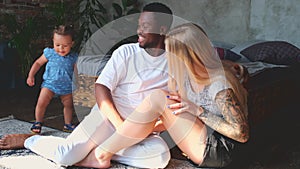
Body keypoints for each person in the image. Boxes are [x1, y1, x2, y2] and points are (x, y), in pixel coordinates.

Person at [0, 2, 173, 169]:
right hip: (108, 118)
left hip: (140, 129)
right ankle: (29, 140)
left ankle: (98, 153)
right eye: (139, 24)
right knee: (65, 156)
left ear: (162, 29)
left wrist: (143, 129)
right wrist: (121, 128)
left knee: (159, 158)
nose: (139, 30)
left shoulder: (175, 63)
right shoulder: (126, 52)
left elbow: (173, 110)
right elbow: (101, 88)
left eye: (145, 26)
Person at [74, 23, 250, 168]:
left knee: (159, 97)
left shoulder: (219, 85)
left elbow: (241, 134)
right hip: (202, 140)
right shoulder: (185, 79)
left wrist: (199, 111)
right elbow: (170, 116)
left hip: (220, 152)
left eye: (170, 53)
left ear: (187, 57)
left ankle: (101, 154)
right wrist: (143, 129)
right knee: (161, 99)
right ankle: (110, 148)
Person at [26, 25, 78, 133]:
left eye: (65, 45)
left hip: (67, 86)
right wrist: (31, 75)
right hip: (49, 85)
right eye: (57, 45)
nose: (61, 48)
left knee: (68, 105)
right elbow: (38, 63)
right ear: (53, 41)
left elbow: (77, 71)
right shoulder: (50, 53)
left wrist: (77, 83)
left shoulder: (74, 57)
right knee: (41, 103)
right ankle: (38, 122)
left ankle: (67, 124)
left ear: (72, 44)